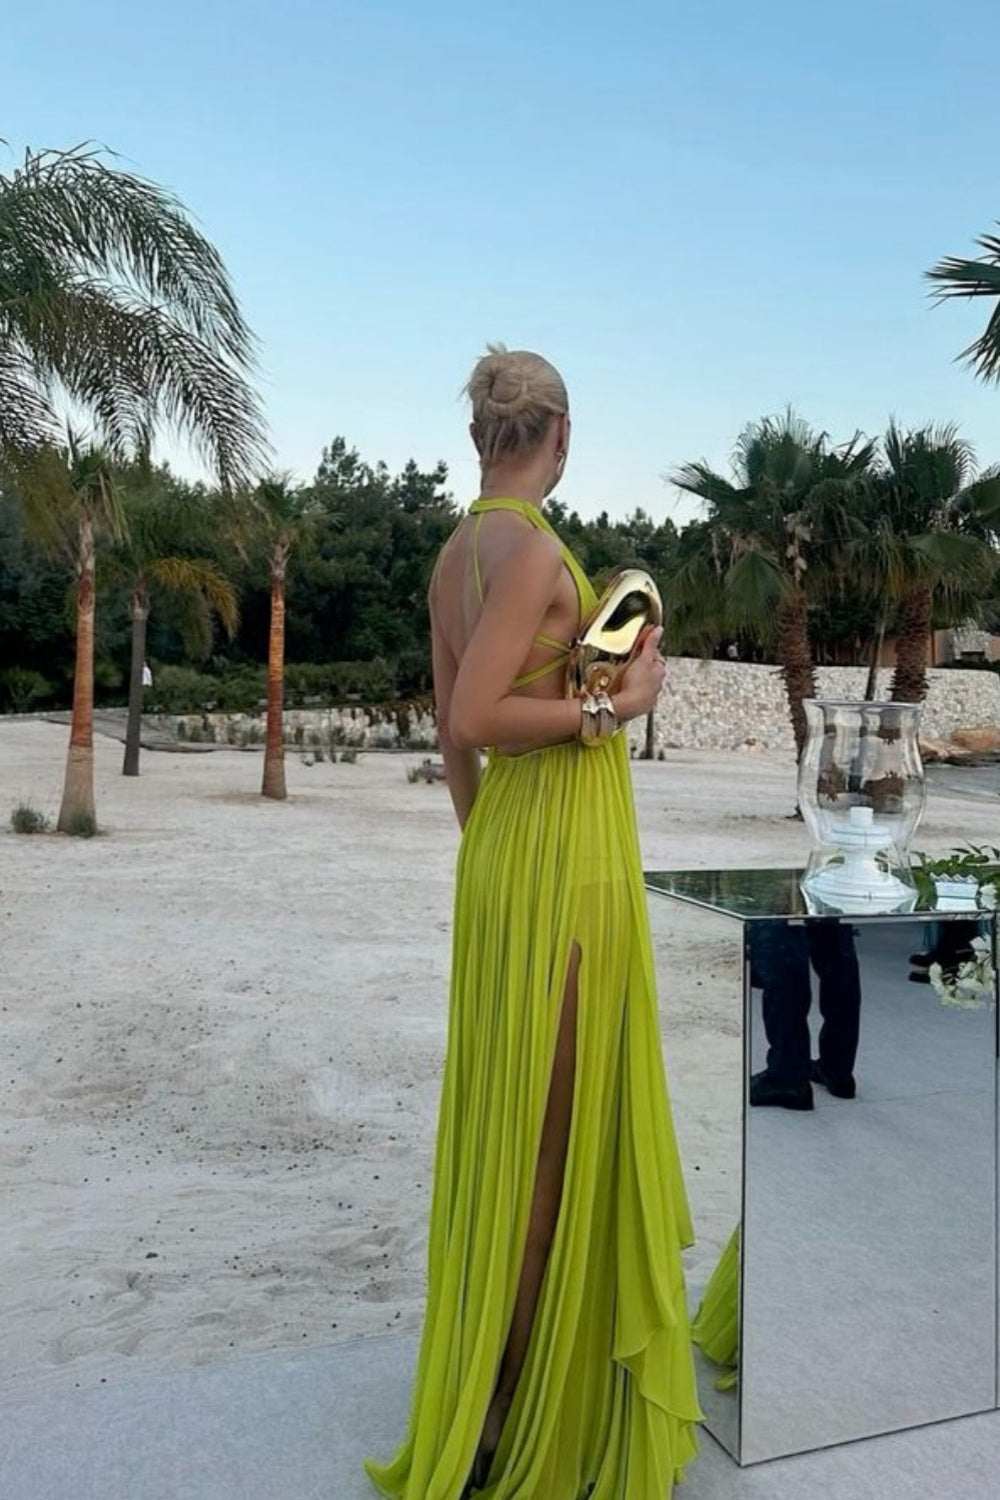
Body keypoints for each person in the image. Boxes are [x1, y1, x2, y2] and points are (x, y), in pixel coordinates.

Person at [364, 346, 701, 1499]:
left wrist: (489, 851)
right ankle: (505, 1420)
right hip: (563, 861)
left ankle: (506, 1383)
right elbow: (478, 714)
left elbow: (452, 737)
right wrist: (618, 705)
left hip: (508, 849)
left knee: (511, 1123)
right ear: (558, 434)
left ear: (480, 438)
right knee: (549, 1144)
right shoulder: (530, 552)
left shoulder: (452, 556)